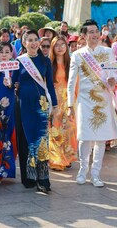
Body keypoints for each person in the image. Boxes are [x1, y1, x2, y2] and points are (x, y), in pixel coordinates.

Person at [67, 19, 117, 187]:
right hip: (84, 101)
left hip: (103, 100)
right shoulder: (78, 54)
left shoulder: (108, 51)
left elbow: (115, 73)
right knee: (84, 137)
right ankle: (83, 170)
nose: (95, 34)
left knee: (101, 138)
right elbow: (71, 81)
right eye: (90, 32)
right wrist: (70, 105)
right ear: (84, 35)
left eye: (96, 31)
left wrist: (113, 80)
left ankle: (96, 173)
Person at [12, 30, 58, 193]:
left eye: (35, 40)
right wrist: (11, 83)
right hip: (24, 104)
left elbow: (50, 85)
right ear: (23, 43)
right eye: (29, 40)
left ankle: (43, 178)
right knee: (26, 139)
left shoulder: (45, 61)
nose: (33, 43)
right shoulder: (19, 61)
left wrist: (55, 104)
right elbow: (13, 82)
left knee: (41, 140)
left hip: (41, 105)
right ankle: (29, 177)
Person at [0, 42, 17, 184]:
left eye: (7, 52)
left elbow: (18, 85)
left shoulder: (15, 68)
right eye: (1, 52)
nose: (4, 54)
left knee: (7, 134)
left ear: (12, 54)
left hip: (10, 104)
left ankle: (6, 169)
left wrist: (12, 83)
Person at [48, 36, 77, 170]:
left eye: (62, 44)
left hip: (68, 100)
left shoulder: (71, 63)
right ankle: (56, 159)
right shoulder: (49, 64)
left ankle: (68, 156)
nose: (60, 47)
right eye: (57, 45)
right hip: (54, 100)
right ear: (52, 48)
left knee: (69, 128)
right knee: (55, 129)